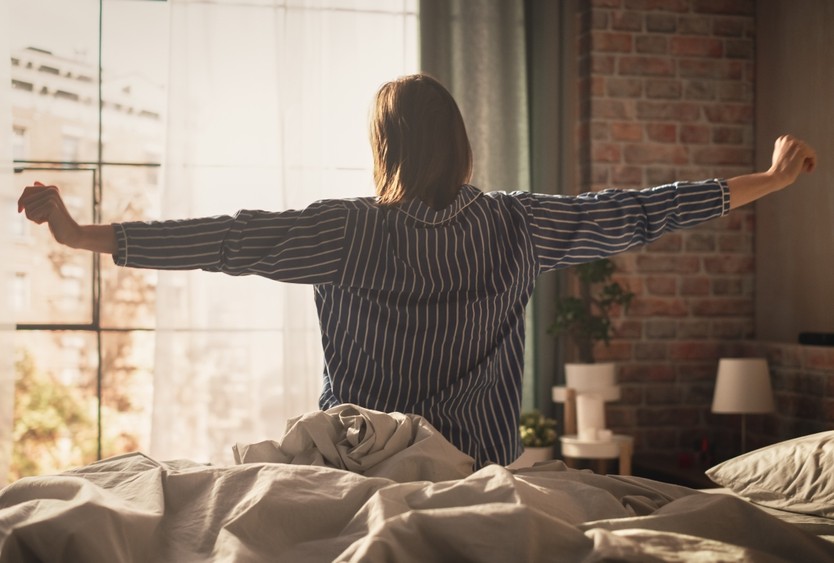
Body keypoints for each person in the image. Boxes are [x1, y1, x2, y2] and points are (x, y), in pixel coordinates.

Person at [17, 74, 817, 469]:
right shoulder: (516, 223)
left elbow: (224, 241)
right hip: (478, 480)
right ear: (460, 144)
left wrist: (79, 231)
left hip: (356, 472)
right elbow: (639, 212)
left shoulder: (346, 232)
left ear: (385, 150)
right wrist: (773, 182)